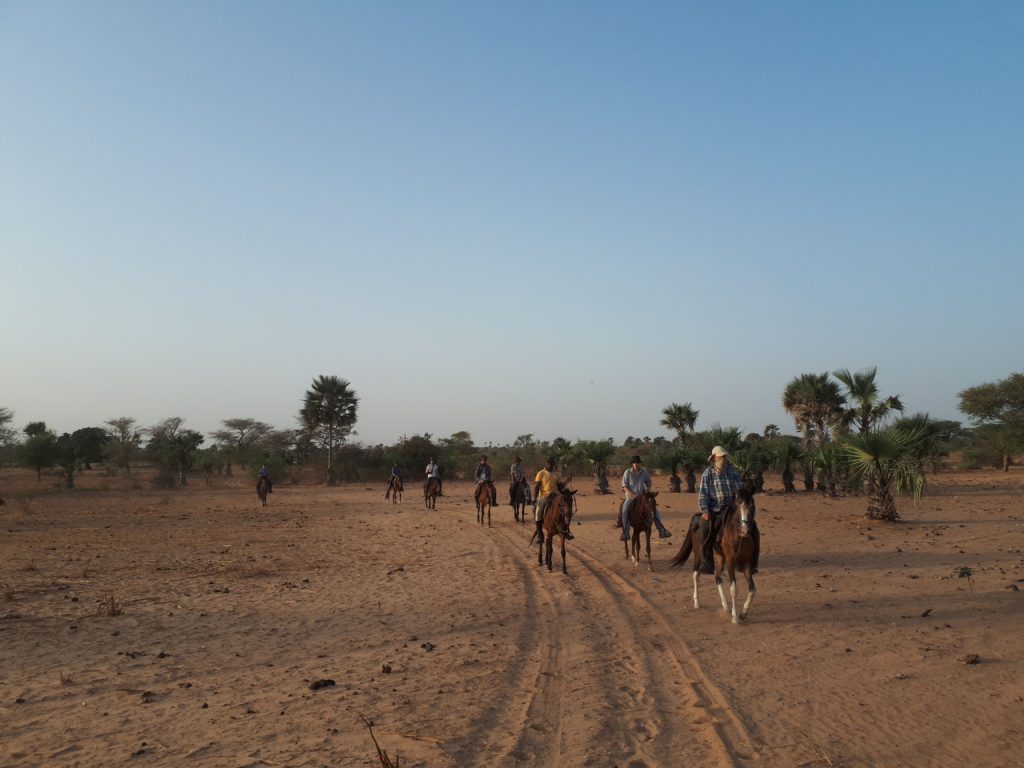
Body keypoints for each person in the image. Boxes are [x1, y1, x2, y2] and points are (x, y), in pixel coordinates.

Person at [697, 445, 760, 574]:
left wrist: (746, 490)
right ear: (714, 458)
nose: (724, 459)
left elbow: (740, 490)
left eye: (725, 457)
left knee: (753, 527)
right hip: (715, 509)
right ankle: (707, 561)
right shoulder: (707, 474)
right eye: (721, 457)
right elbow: (703, 494)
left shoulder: (732, 472)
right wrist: (705, 511)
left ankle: (753, 563)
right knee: (704, 526)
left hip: (733, 508)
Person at [619, 455, 672, 541]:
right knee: (624, 510)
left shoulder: (644, 472)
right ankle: (625, 532)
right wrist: (633, 494)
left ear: (640, 463)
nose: (636, 464)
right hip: (630, 497)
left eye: (638, 462)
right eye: (635, 462)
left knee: (654, 509)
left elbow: (649, 483)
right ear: (632, 463)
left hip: (643, 497)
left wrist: (648, 490)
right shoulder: (627, 472)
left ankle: (662, 530)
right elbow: (624, 486)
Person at [533, 457, 573, 539]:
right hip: (544, 495)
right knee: (538, 511)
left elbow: (560, 487)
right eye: (549, 464)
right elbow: (536, 487)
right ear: (546, 464)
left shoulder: (557, 474)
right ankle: (540, 533)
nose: (551, 465)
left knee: (566, 509)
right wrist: (534, 498)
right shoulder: (541, 473)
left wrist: (566, 481)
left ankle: (566, 530)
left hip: (556, 494)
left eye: (552, 464)